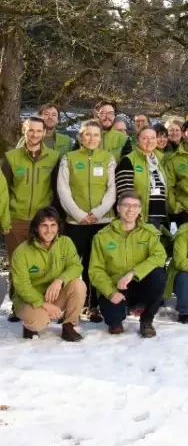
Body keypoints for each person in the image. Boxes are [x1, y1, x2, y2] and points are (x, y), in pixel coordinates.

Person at [1, 116, 60, 321]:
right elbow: (3, 191)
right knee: (17, 264)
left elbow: (56, 190)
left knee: (43, 264)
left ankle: (43, 302)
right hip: (17, 218)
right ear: (24, 131)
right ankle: (16, 303)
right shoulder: (11, 157)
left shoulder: (54, 157)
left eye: (38, 131)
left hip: (43, 221)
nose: (34, 134)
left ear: (44, 133)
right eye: (30, 130)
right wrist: (5, 219)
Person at [57, 119, 116, 322]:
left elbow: (112, 189)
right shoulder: (69, 158)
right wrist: (79, 214)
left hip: (102, 221)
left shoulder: (108, 158)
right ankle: (69, 305)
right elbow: (63, 189)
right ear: (81, 137)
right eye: (87, 134)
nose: (92, 138)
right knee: (72, 264)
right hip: (76, 222)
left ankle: (92, 305)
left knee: (95, 264)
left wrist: (98, 212)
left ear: (100, 138)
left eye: (96, 135)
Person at [89, 190, 167, 336]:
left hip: (140, 284)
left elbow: (160, 256)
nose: (131, 210)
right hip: (115, 286)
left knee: (159, 274)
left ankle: (147, 319)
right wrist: (110, 292)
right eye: (126, 205)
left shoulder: (149, 233)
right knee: (114, 321)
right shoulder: (102, 236)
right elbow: (95, 270)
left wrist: (133, 273)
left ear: (140, 209)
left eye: (135, 206)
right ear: (118, 208)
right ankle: (117, 317)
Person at [10, 206, 85, 341]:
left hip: (54, 294)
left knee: (78, 285)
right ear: (36, 228)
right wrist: (44, 304)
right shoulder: (22, 252)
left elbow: (76, 266)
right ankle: (29, 325)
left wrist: (59, 280)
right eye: (44, 225)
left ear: (58, 227)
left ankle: (69, 326)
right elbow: (22, 286)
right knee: (39, 321)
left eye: (53, 225)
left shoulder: (65, 242)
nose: (49, 230)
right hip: (28, 299)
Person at [116, 126, 168, 230]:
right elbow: (124, 193)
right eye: (145, 138)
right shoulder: (128, 160)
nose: (149, 141)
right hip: (138, 216)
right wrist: (133, 214)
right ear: (137, 140)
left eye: (153, 138)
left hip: (158, 215)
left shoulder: (159, 160)